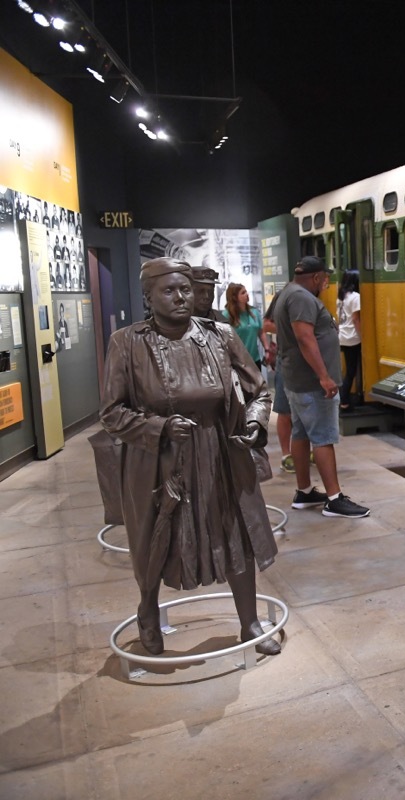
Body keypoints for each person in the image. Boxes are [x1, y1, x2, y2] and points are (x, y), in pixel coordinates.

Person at [99, 257, 280, 657]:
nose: (181, 297)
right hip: (159, 460)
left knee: (235, 533)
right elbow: (111, 414)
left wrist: (253, 421)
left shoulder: (220, 335)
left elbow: (258, 390)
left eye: (185, 289)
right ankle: (147, 610)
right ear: (148, 296)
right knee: (156, 538)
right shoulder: (127, 343)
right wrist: (158, 428)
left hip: (218, 452)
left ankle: (249, 621)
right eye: (169, 290)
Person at [273, 255, 370, 518]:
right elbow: (305, 339)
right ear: (315, 278)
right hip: (311, 383)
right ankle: (334, 499)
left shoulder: (288, 293)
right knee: (324, 438)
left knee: (301, 435)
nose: (326, 284)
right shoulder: (302, 298)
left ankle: (304, 492)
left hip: (297, 380)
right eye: (325, 279)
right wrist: (324, 377)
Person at [262, 291, 294, 473]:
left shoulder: (311, 298)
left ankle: (306, 451)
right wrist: (292, 327)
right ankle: (286, 454)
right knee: (284, 410)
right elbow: (267, 324)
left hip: (307, 363)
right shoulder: (283, 296)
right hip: (287, 360)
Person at [222, 282, 267, 368]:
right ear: (234, 297)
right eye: (243, 293)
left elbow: (261, 332)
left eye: (246, 291)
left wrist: (267, 349)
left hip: (254, 359)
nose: (247, 294)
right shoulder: (227, 315)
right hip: (237, 362)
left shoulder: (254, 312)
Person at [336, 270, 363, 410]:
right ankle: (344, 401)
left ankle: (345, 399)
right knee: (351, 371)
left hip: (342, 336)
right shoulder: (355, 297)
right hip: (352, 337)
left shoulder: (340, 297)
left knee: (348, 369)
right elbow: (355, 318)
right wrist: (362, 336)